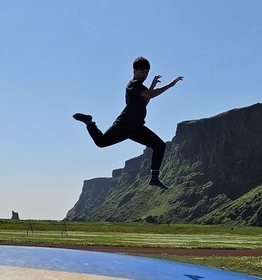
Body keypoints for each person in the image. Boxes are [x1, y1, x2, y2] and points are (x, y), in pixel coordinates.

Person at [73, 56, 183, 190]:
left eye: (147, 72)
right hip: (124, 125)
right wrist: (170, 85)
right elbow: (151, 95)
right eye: (142, 72)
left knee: (159, 145)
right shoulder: (133, 84)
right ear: (135, 71)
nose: (145, 75)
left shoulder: (140, 87)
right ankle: (89, 123)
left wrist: (152, 86)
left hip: (136, 127)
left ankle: (154, 178)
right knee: (101, 142)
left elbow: (145, 101)